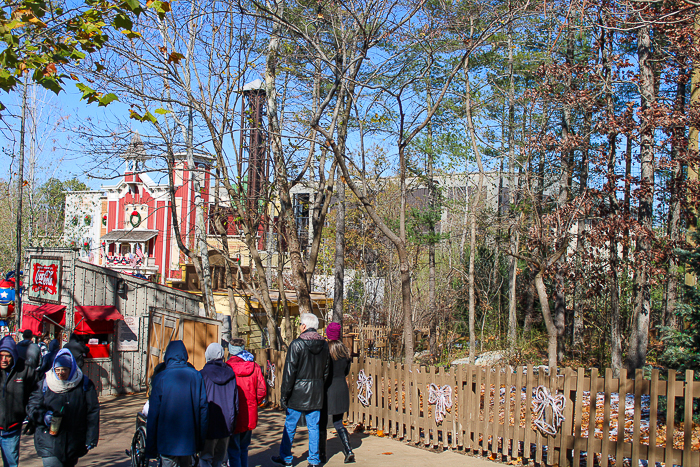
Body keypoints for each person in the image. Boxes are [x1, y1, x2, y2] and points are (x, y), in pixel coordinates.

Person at [272, 313, 329, 467]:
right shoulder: (324, 345)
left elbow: (289, 373)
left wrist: (284, 394)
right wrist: (318, 385)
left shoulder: (296, 345)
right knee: (313, 427)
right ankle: (314, 460)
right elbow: (326, 371)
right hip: (316, 392)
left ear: (304, 326)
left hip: (297, 393)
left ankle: (286, 457)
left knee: (290, 425)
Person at [26, 349, 99, 467]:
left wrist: (91, 437)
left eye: (64, 369)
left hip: (74, 440)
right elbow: (32, 406)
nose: (60, 373)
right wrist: (44, 417)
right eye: (57, 370)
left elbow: (92, 412)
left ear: (72, 369)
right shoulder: (44, 384)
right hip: (48, 440)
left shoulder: (84, 384)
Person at [146, 340, 208, 467]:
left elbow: (153, 414)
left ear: (167, 356)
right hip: (188, 439)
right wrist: (200, 442)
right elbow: (203, 410)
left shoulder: (161, 378)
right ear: (185, 355)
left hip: (166, 440)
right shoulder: (196, 376)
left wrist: (150, 447)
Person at [0, 335, 40, 467]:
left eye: (8, 356)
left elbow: (36, 393)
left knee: (10, 462)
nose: (4, 360)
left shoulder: (25, 369)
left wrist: (31, 413)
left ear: (14, 355)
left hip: (11, 427)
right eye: (1, 355)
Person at [226, 338, 266, 467]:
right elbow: (261, 390)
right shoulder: (254, 366)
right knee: (244, 447)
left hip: (233, 413)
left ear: (230, 351)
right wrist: (255, 402)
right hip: (249, 411)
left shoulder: (227, 367)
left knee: (233, 449)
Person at [319, 323, 355, 464]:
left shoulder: (325, 351)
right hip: (341, 388)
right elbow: (346, 371)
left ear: (328, 334)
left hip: (328, 390)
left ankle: (322, 454)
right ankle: (348, 450)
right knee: (338, 422)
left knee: (321, 423)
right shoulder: (345, 351)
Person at [198, 343, 238, 467]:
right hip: (226, 425)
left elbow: (198, 401)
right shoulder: (231, 374)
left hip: (208, 424)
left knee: (205, 458)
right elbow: (235, 402)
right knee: (219, 460)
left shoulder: (202, 375)